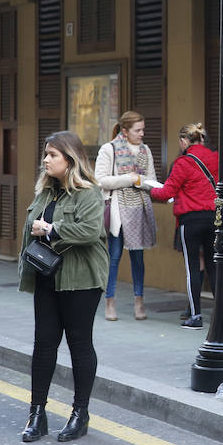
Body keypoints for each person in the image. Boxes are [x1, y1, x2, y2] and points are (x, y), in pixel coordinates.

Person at [19, 131, 109, 443]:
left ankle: (80, 413)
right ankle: (37, 413)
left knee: (79, 344)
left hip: (81, 280)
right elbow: (31, 228)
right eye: (46, 154)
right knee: (43, 345)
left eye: (52, 155)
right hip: (47, 277)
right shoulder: (45, 192)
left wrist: (52, 229)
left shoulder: (89, 192)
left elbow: (89, 230)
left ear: (70, 160)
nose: (45, 160)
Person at [149, 123, 219, 330]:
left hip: (190, 221)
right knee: (214, 267)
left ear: (183, 142)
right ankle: (221, 316)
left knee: (192, 268)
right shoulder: (216, 158)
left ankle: (196, 316)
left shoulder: (182, 163)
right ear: (202, 139)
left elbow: (165, 193)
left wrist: (147, 190)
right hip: (214, 219)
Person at [94, 111, 157, 322]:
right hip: (118, 211)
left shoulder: (145, 150)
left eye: (143, 130)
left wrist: (143, 182)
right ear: (125, 130)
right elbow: (100, 180)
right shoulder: (109, 149)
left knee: (138, 259)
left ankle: (139, 301)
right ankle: (109, 302)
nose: (142, 134)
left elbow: (151, 180)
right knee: (113, 257)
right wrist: (129, 179)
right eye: (137, 130)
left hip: (139, 209)